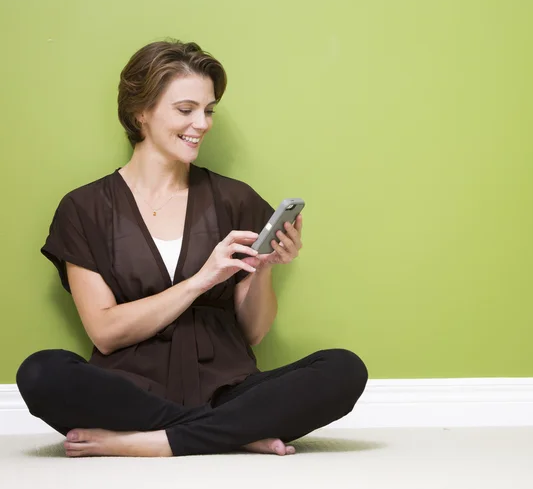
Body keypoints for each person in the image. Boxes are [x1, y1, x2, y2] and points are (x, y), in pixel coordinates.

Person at [16, 39, 368, 457]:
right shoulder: (84, 208)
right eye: (186, 110)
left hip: (229, 389)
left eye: (209, 110)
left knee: (345, 369)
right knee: (40, 372)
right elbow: (106, 333)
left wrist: (266, 267)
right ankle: (230, 434)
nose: (202, 123)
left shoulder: (236, 200)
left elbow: (253, 331)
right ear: (140, 112)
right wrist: (201, 281)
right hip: (131, 394)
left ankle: (156, 442)